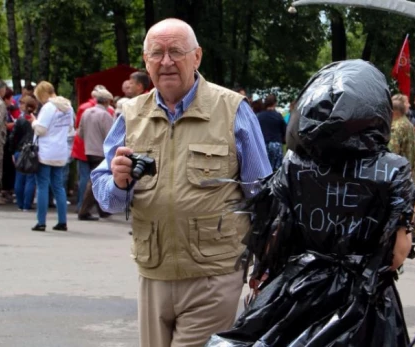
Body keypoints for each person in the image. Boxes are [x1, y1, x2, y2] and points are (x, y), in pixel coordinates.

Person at [207, 59, 415, 347]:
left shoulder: (294, 163)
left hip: (296, 292)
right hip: (365, 304)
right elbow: (397, 254)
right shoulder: (394, 169)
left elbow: (273, 239)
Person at [91, 19, 272, 347]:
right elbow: (108, 199)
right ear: (146, 62)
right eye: (156, 53)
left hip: (214, 275)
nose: (166, 61)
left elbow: (263, 195)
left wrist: (267, 261)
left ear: (197, 56)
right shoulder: (131, 114)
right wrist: (117, 182)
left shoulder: (232, 110)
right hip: (153, 274)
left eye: (176, 51)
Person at [31, 81, 74, 232]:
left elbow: (41, 130)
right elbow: (70, 128)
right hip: (61, 150)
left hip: (46, 150)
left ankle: (41, 222)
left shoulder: (48, 107)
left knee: (42, 185)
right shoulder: (68, 107)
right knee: (58, 186)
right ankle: (62, 221)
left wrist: (34, 122)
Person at [72, 85, 115, 213]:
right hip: (101, 151)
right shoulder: (105, 115)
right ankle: (85, 210)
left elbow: (80, 133)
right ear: (107, 101)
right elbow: (110, 136)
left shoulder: (86, 112)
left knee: (93, 179)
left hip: (88, 149)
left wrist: (89, 141)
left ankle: (99, 209)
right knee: (96, 180)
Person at [12, 95, 38, 211]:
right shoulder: (37, 120)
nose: (20, 105)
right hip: (33, 150)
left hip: (20, 150)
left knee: (19, 177)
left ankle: (20, 203)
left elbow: (13, 137)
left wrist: (12, 151)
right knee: (30, 178)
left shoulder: (20, 120)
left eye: (22, 103)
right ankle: (27, 204)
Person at [256, 94, 287, 171]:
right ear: (275, 103)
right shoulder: (278, 116)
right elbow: (285, 131)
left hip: (263, 145)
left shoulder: (259, 116)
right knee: (276, 171)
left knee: (264, 170)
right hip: (276, 145)